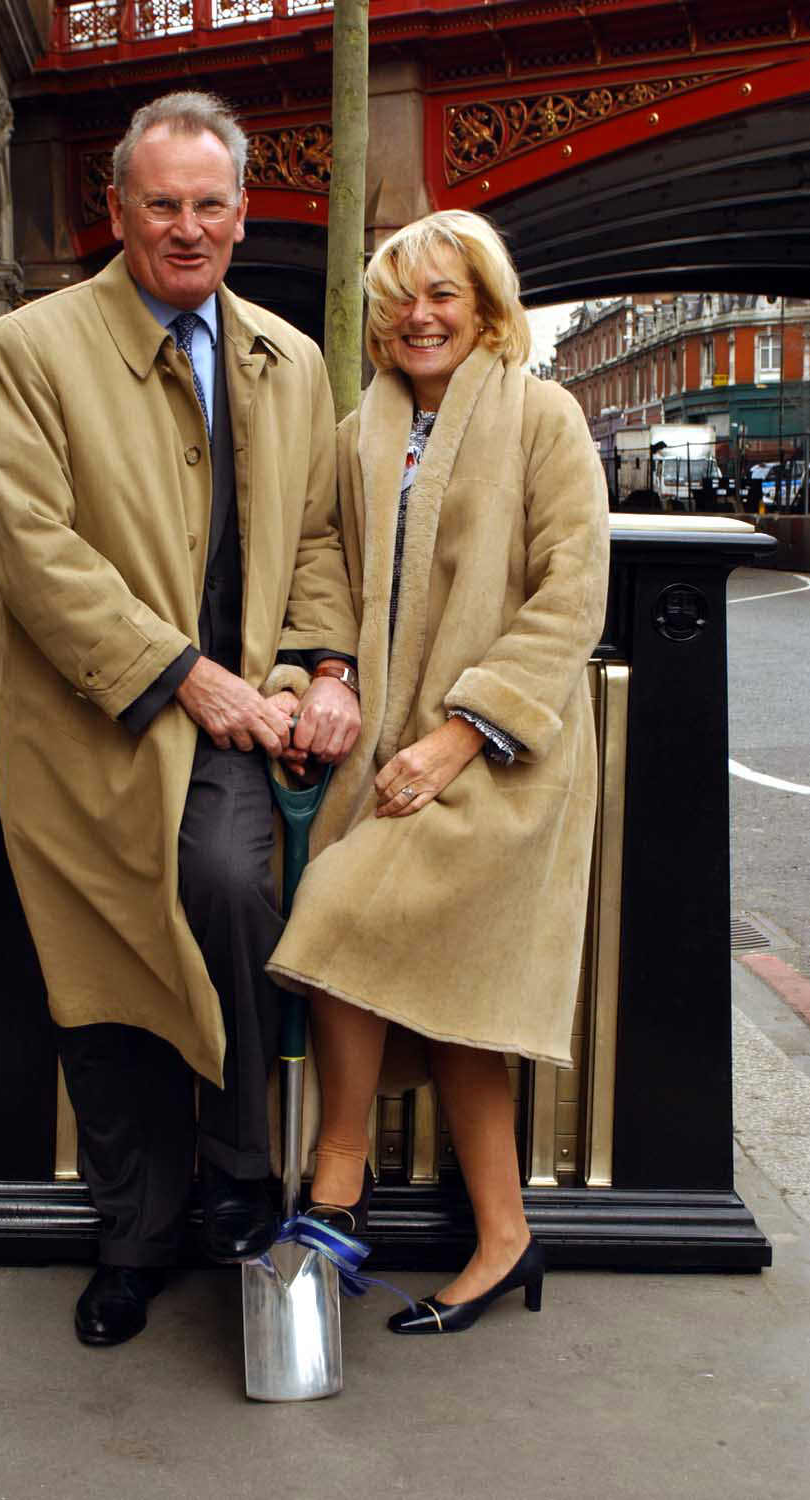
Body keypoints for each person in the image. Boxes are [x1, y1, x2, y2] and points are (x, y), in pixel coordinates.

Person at [0, 91, 361, 1347]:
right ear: (119, 210)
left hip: (240, 714)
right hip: (100, 721)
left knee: (234, 896)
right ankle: (133, 1239)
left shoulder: (290, 360)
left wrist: (323, 667)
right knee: (110, 973)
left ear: (242, 215)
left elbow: (311, 537)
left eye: (208, 204)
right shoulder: (31, 347)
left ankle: (239, 1174)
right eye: (161, 203)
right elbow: (34, 551)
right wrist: (184, 673)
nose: (185, 228)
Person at [268, 210, 610, 1334]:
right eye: (400, 298)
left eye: (443, 296)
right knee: (451, 1004)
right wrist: (323, 672)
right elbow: (321, 554)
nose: (418, 317)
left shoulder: (543, 416)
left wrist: (460, 734)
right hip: (384, 753)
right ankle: (505, 1238)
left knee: (334, 914)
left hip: (501, 758)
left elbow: (570, 598)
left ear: (486, 308)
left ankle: (335, 1177)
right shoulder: (358, 425)